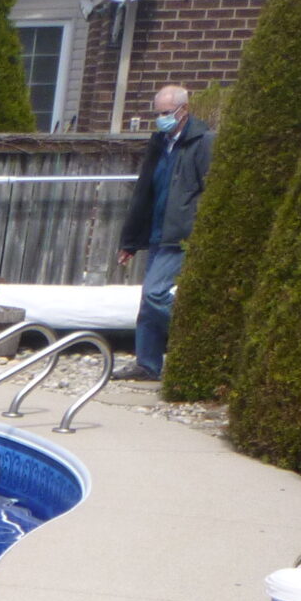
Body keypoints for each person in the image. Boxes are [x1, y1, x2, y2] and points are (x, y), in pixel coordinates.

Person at [114, 86, 214, 381]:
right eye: (158, 113)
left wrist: (200, 232)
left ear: (184, 110)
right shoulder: (159, 143)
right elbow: (145, 193)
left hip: (181, 235)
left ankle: (198, 337)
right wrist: (131, 241)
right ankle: (147, 365)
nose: (161, 119)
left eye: (166, 113)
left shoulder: (203, 142)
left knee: (155, 293)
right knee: (147, 304)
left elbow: (210, 190)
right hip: (157, 233)